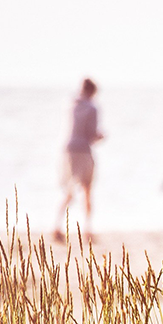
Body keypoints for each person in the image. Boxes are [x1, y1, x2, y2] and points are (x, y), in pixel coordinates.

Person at [54, 78, 104, 242]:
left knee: (69, 191)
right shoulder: (92, 108)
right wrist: (100, 137)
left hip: (67, 149)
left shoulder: (71, 104)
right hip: (83, 149)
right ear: (92, 92)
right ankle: (88, 230)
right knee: (87, 190)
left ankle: (57, 226)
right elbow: (91, 135)